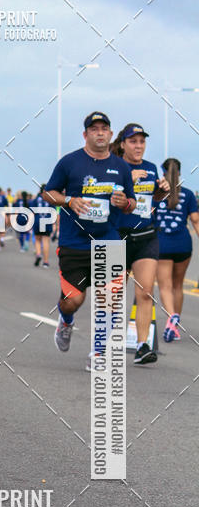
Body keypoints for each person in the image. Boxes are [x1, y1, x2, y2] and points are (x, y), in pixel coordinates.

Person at [43, 112, 136, 368]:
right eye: (94, 129)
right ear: (85, 134)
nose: (99, 133)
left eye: (104, 128)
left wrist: (125, 202)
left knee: (109, 299)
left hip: (108, 240)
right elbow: (48, 194)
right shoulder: (69, 162)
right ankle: (66, 321)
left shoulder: (121, 167)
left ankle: (98, 353)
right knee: (73, 301)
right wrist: (69, 200)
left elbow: (131, 203)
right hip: (75, 242)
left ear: (110, 134)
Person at [110, 123, 170, 363]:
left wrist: (162, 191)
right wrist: (127, 179)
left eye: (142, 141)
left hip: (146, 235)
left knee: (146, 292)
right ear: (123, 144)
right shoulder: (113, 167)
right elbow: (103, 198)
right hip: (117, 235)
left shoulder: (151, 168)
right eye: (133, 141)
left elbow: (153, 200)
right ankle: (106, 344)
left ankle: (142, 346)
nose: (138, 146)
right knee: (113, 294)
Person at [155, 158, 199, 342]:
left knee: (165, 286)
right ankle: (175, 327)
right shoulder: (188, 195)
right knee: (178, 285)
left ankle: (171, 316)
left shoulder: (157, 194)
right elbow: (195, 220)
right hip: (183, 244)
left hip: (162, 243)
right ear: (179, 173)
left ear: (163, 173)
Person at [30, 184, 53, 267]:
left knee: (37, 240)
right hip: (47, 221)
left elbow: (32, 212)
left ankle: (38, 254)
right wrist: (55, 225)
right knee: (46, 241)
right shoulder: (50, 199)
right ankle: (45, 262)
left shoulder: (36, 199)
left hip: (37, 221)